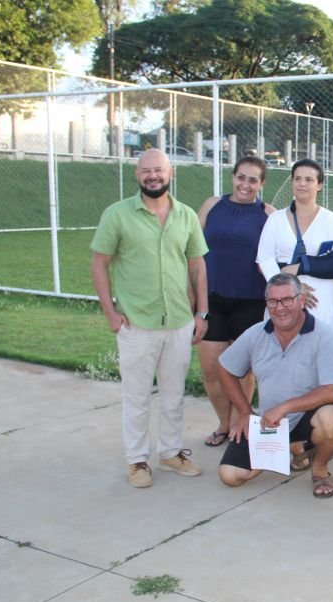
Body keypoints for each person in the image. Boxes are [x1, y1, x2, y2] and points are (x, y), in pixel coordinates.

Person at [90, 148, 208, 488]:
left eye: (158, 169)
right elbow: (99, 264)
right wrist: (110, 313)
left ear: (171, 173)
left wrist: (201, 312)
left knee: (173, 395)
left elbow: (197, 265)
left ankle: (170, 453)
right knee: (137, 397)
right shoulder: (117, 214)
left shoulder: (185, 216)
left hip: (179, 321)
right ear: (136, 175)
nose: (152, 175)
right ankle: (137, 461)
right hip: (136, 324)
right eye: (146, 170)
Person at [216, 273, 333, 496]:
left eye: (287, 299)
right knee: (231, 476)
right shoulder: (256, 333)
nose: (280, 308)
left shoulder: (322, 335)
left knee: (332, 419)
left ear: (301, 300)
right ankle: (291, 448)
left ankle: (320, 469)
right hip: (269, 423)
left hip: (307, 418)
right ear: (266, 303)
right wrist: (245, 412)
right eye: (273, 301)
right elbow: (225, 369)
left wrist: (285, 407)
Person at [197, 156, 275, 448]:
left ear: (262, 183)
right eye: (241, 177)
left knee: (243, 370)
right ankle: (224, 424)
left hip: (250, 301)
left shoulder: (268, 214)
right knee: (211, 369)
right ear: (233, 177)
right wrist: (194, 298)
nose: (245, 184)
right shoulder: (211, 206)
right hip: (212, 301)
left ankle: (242, 423)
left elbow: (275, 260)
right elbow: (192, 251)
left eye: (253, 179)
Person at [257, 159, 333, 376]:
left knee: (323, 369)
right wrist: (291, 289)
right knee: (280, 367)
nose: (302, 184)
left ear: (319, 185)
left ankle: (323, 410)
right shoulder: (276, 220)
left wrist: (297, 267)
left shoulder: (331, 220)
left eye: (309, 179)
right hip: (283, 300)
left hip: (323, 302)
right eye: (297, 179)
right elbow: (265, 260)